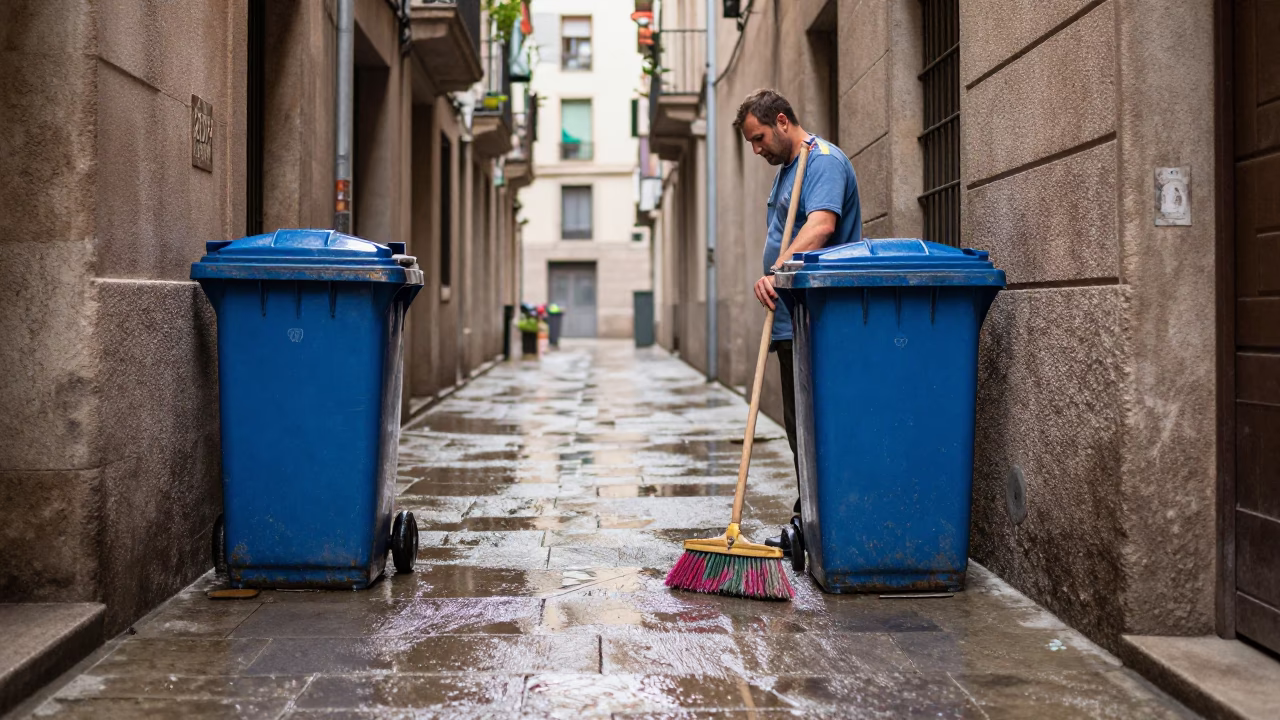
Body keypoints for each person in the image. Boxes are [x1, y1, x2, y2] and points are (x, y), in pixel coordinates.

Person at [733, 89, 862, 537]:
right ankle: (808, 519)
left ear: (783, 120)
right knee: (798, 429)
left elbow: (822, 225)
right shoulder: (789, 168)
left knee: (815, 428)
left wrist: (776, 271)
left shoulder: (821, 161)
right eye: (751, 141)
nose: (756, 148)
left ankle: (820, 523)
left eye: (760, 137)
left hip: (819, 320)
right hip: (793, 321)